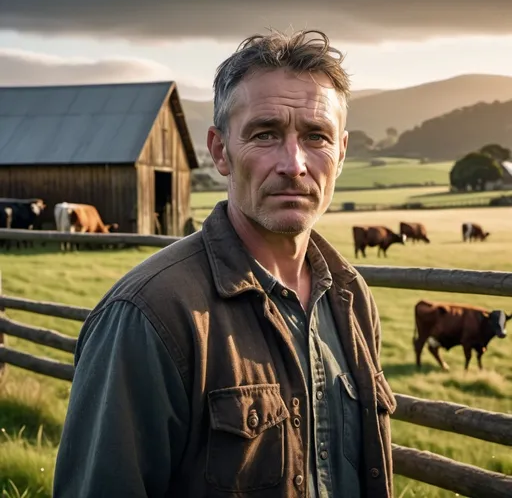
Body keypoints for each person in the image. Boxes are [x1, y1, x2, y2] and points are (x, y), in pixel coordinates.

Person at [53, 29, 397, 498]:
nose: (294, 163)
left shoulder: (350, 297)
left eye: (316, 136)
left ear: (340, 153)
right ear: (220, 151)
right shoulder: (149, 315)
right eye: (265, 134)